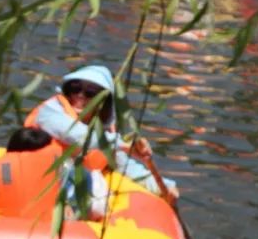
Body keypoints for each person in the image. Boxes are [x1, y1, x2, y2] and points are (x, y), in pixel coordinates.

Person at [27, 63, 168, 193]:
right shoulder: (50, 110)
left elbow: (126, 167)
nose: (79, 95)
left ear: (103, 102)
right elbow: (74, 134)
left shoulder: (106, 132)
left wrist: (164, 187)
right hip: (36, 184)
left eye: (90, 93)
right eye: (75, 88)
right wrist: (121, 143)